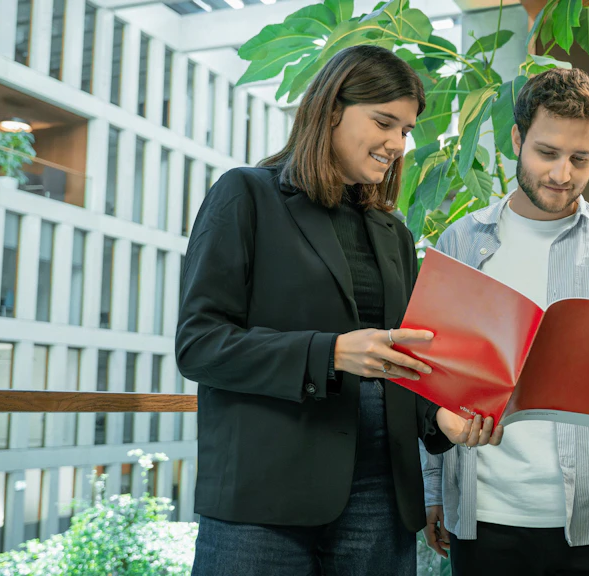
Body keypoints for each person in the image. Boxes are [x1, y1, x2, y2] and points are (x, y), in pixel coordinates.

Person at [176, 45, 502, 576]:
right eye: (384, 122)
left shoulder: (393, 231)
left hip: (381, 495)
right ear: (330, 110)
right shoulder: (246, 195)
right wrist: (330, 353)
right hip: (266, 497)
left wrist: (443, 420)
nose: (397, 144)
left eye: (406, 130)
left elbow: (405, 360)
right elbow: (199, 344)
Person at [420, 68, 589, 576]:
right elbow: (433, 380)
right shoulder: (459, 243)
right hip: (487, 521)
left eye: (580, 159)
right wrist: (433, 489)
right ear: (517, 138)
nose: (562, 174)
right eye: (547, 153)